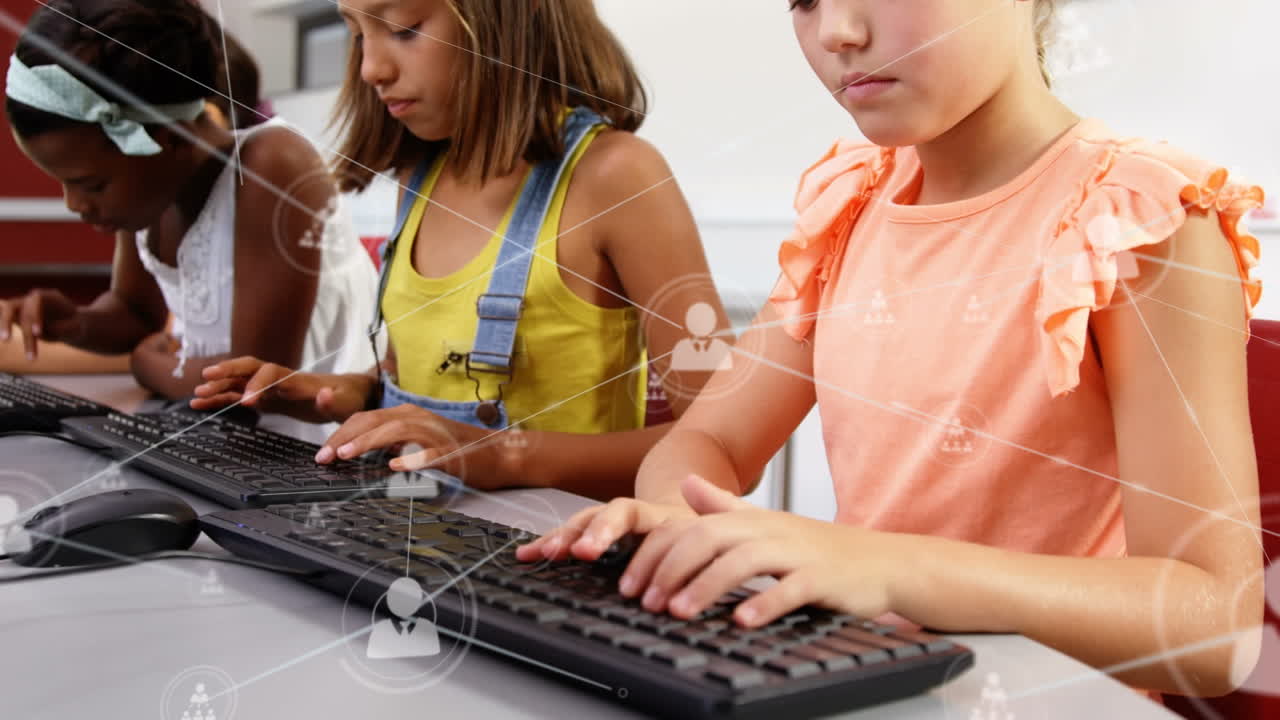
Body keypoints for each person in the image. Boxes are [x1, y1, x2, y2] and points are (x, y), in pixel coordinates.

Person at [521, 0, 1266, 698]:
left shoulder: (1139, 217)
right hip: (865, 683)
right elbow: (708, 438)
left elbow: (1216, 630)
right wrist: (675, 522)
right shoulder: (855, 201)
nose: (838, 31)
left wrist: (888, 567)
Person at [192, 0, 727, 501]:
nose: (370, 69)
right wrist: (342, 393)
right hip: (416, 535)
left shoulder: (617, 176)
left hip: (560, 562)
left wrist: (506, 456)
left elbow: (721, 450)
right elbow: (427, 375)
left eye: (403, 28)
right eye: (357, 36)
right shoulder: (417, 178)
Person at [0, 0, 376, 399]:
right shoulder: (151, 189)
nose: (74, 205)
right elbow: (135, 314)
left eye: (91, 185)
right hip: (216, 441)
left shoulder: (271, 165)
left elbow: (246, 386)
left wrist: (143, 363)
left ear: (169, 139)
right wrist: (74, 324)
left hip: (317, 445)